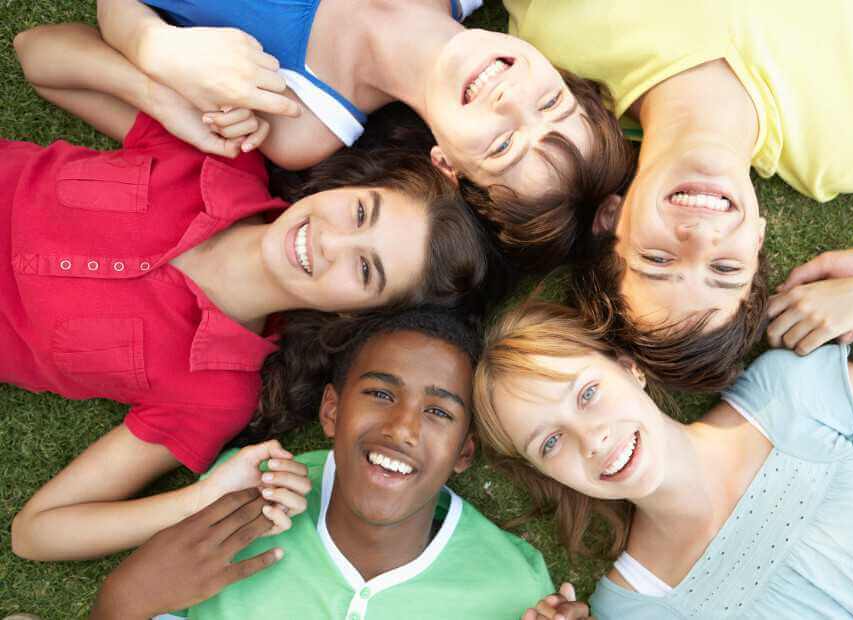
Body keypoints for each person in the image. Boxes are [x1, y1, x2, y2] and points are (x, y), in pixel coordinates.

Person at [6, 23, 490, 561]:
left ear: (356, 313)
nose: (331, 240)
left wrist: (202, 498)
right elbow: (37, 54)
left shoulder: (214, 394)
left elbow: (37, 533)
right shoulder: (219, 156)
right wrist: (160, 100)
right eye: (359, 212)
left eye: (365, 271)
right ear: (352, 183)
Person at [505, 0, 853, 388]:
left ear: (610, 218)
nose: (700, 237)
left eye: (658, 260)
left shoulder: (554, 68)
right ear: (758, 241)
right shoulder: (852, 143)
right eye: (725, 267)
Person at [88, 308, 592, 620]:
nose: (402, 428)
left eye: (438, 411)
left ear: (464, 452)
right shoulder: (239, 503)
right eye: (379, 393)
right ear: (332, 410)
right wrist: (123, 601)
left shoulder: (514, 587)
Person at [471, 294, 853, 617]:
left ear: (629, 368)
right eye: (549, 443)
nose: (591, 439)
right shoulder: (638, 606)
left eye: (587, 393)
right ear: (542, 471)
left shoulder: (785, 396)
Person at [93, 0, 637, 270]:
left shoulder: (298, 122)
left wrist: (156, 50)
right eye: (551, 102)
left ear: (448, 165)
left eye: (502, 146)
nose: (511, 99)